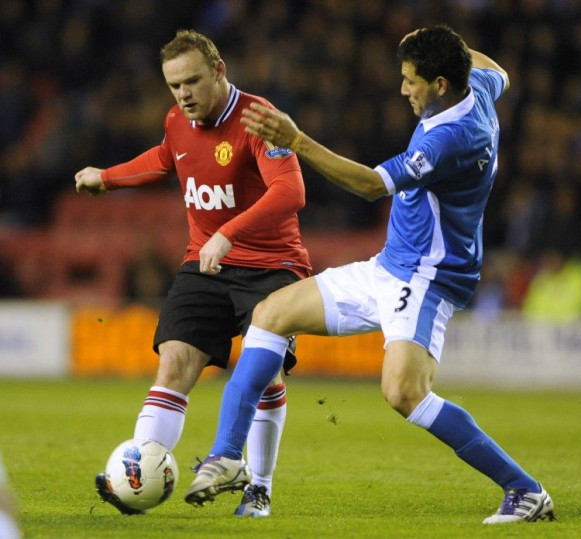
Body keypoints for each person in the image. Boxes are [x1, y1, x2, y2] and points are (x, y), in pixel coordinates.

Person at [188, 25, 555, 524]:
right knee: (269, 314)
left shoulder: (453, 137)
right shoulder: (478, 86)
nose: (403, 89)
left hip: (427, 277)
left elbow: (369, 185)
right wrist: (440, 40)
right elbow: (497, 70)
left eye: (411, 80)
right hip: (390, 265)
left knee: (404, 393)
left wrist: (296, 140)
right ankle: (231, 458)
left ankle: (525, 489)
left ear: (441, 84)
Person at [74, 29, 312, 518]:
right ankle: (135, 474)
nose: (183, 94)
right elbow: (165, 159)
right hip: (205, 264)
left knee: (263, 377)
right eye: (174, 86)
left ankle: (259, 486)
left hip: (271, 267)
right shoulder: (177, 121)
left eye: (192, 81)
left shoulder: (258, 119)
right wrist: (109, 178)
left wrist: (230, 232)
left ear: (219, 71)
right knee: (174, 361)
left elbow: (290, 192)